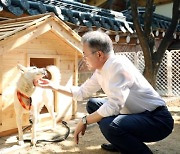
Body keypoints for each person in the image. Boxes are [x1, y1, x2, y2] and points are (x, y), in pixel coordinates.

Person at [35, 31, 174, 154]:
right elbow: (82, 92)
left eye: (85, 54)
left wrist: (84, 120)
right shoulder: (101, 70)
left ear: (99, 54)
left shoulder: (117, 66)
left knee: (110, 125)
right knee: (93, 104)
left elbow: (114, 106)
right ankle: (121, 142)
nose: (84, 59)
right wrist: (53, 86)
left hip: (157, 120)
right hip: (136, 113)